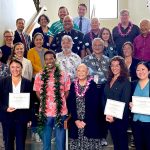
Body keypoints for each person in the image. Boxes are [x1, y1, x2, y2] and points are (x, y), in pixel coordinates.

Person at [33, 50, 71, 150]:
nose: (49, 61)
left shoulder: (64, 75)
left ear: (55, 59)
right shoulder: (39, 75)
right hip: (45, 112)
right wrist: (45, 101)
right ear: (44, 61)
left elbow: (67, 91)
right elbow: (37, 91)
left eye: (51, 58)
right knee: (46, 142)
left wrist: (60, 101)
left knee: (60, 142)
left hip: (60, 112)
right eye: (46, 59)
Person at [67, 64, 102, 150]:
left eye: (83, 71)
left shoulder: (93, 85)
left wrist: (85, 121)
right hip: (76, 122)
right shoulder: (72, 85)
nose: (81, 73)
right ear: (76, 72)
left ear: (87, 72)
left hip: (89, 122)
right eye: (79, 70)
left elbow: (95, 106)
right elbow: (71, 104)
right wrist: (76, 120)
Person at [82, 38, 109, 146]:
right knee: (91, 112)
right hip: (90, 88)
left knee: (103, 112)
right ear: (92, 46)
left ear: (103, 47)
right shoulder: (85, 60)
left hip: (104, 88)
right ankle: (91, 135)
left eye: (100, 45)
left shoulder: (108, 60)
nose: (97, 47)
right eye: (95, 45)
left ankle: (103, 136)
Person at [0, 59, 32, 150]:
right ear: (9, 68)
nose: (15, 69)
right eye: (12, 67)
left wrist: (30, 118)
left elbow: (31, 102)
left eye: (18, 67)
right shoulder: (2, 82)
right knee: (8, 144)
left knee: (21, 144)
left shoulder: (27, 83)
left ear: (21, 68)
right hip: (7, 118)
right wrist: (5, 108)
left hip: (22, 118)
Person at [104, 56, 131, 150]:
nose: (114, 68)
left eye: (117, 65)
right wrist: (107, 113)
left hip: (120, 118)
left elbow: (125, 101)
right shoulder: (108, 80)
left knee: (122, 144)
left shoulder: (125, 81)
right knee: (115, 143)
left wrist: (114, 116)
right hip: (109, 117)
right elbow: (104, 98)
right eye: (112, 65)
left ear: (122, 67)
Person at [130, 62, 150, 150]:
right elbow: (129, 99)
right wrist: (129, 104)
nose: (140, 72)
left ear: (149, 71)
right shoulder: (133, 84)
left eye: (143, 69)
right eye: (138, 70)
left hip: (148, 122)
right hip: (136, 121)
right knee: (138, 146)